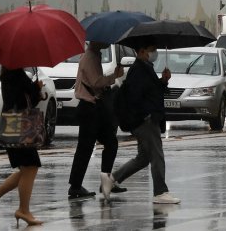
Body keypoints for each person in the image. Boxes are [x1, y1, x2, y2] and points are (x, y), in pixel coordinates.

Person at [100, 37, 180, 204]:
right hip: (145, 121)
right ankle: (160, 192)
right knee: (157, 155)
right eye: (152, 49)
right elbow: (136, 98)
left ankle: (112, 178)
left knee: (144, 157)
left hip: (146, 119)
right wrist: (146, 115)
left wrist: (163, 81)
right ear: (142, 51)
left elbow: (151, 92)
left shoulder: (145, 68)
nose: (154, 53)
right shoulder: (138, 70)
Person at [0, 68, 45, 226]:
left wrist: (35, 89)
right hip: (20, 129)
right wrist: (35, 88)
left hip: (16, 128)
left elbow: (25, 99)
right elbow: (21, 101)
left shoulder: (10, 74)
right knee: (31, 166)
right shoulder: (15, 75)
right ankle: (23, 210)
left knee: (26, 170)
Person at [68, 42, 125, 200]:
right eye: (105, 40)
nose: (107, 43)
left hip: (93, 108)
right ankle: (76, 186)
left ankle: (103, 181)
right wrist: (114, 76)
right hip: (90, 109)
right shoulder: (90, 57)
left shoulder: (94, 56)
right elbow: (96, 82)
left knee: (108, 143)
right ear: (97, 40)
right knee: (86, 148)